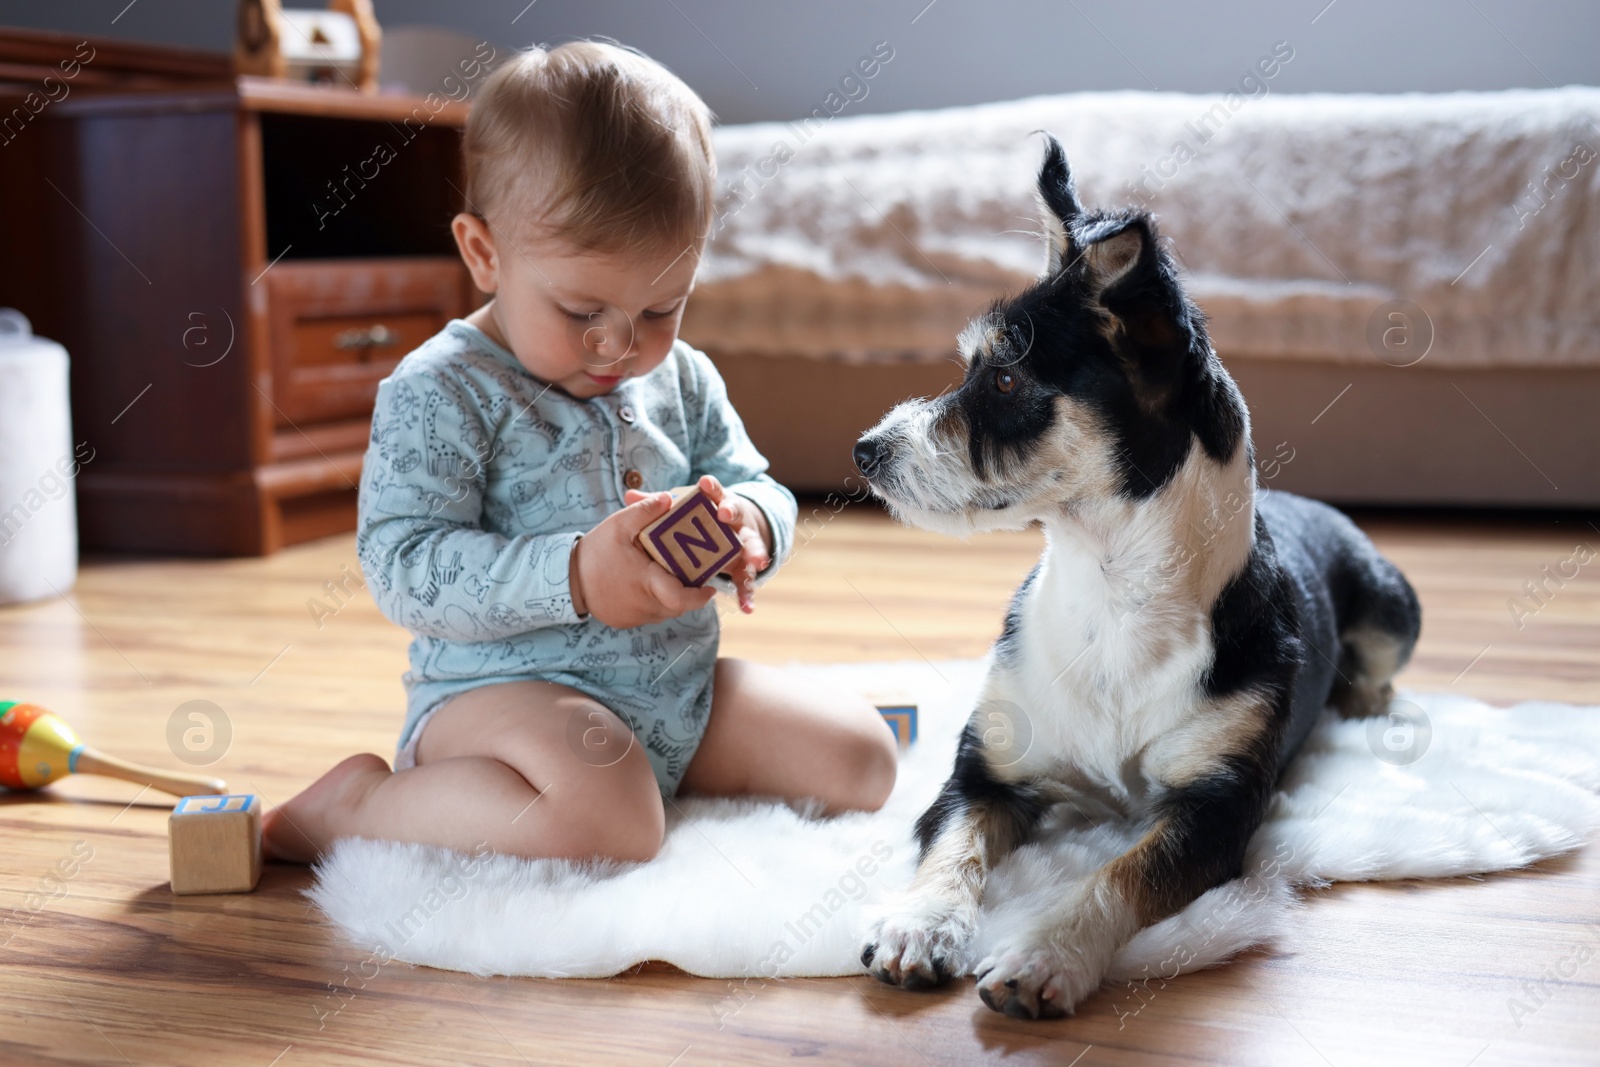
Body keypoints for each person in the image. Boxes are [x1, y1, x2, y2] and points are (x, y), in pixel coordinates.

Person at [263, 41, 897, 866]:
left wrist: (755, 527)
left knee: (863, 758)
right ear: (486, 254)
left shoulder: (685, 378)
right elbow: (402, 563)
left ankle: (642, 777)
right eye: (581, 309)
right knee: (614, 824)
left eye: (662, 307)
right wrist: (577, 574)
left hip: (676, 692)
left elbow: (756, 481)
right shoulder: (440, 391)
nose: (620, 346)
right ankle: (357, 805)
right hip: (500, 705)